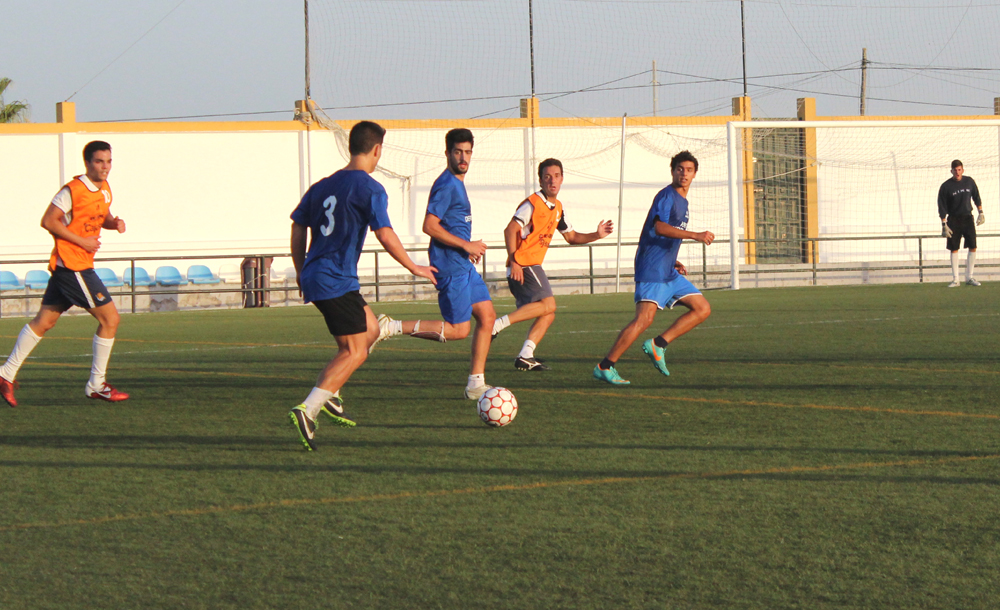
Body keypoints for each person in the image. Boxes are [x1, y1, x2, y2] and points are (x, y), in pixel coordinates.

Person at [286, 121, 438, 451]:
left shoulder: (322, 186)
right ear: (377, 150)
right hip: (335, 279)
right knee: (355, 351)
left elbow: (298, 227)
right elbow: (385, 234)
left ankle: (331, 393)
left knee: (371, 331)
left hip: (321, 275)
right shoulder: (370, 188)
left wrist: (301, 270)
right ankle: (309, 408)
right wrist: (414, 267)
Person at [0, 141, 129, 407]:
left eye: (108, 161)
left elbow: (100, 215)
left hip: (72, 265)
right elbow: (48, 221)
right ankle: (96, 385)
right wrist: (82, 242)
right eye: (99, 161)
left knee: (43, 323)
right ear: (87, 163)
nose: (105, 167)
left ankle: (5, 374)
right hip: (74, 265)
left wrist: (113, 224)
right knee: (110, 319)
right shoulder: (72, 190)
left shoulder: (104, 189)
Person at [379, 128, 497, 400]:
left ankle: (475, 384)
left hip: (463, 264)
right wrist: (465, 245)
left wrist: (466, 249)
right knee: (459, 329)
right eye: (458, 152)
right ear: (447, 154)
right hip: (450, 267)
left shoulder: (458, 183)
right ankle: (391, 326)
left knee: (488, 316)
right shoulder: (446, 184)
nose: (463, 157)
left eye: (468, 152)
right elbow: (429, 225)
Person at [593, 150, 713, 386]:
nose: (684, 173)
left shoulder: (683, 201)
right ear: (673, 171)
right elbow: (659, 227)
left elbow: (666, 234)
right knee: (643, 320)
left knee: (702, 308)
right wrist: (694, 235)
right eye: (680, 169)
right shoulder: (667, 195)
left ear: (695, 174)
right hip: (652, 269)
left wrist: (673, 259)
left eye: (689, 170)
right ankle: (605, 366)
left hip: (667, 270)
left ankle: (659, 344)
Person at [491, 158, 613, 371]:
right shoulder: (532, 203)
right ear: (540, 180)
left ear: (562, 179)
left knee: (548, 313)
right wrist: (515, 260)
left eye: (556, 176)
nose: (552, 181)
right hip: (524, 264)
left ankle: (525, 355)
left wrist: (597, 234)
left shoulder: (558, 208)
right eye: (547, 177)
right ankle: (496, 325)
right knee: (550, 305)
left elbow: (572, 237)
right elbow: (510, 230)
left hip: (529, 265)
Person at [938, 159, 985, 287]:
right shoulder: (946, 186)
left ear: (962, 170)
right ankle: (955, 279)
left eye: (959, 170)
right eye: (955, 170)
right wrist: (944, 223)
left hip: (967, 218)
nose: (957, 172)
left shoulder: (969, 181)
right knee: (954, 248)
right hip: (954, 219)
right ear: (951, 171)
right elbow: (941, 205)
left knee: (973, 246)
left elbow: (976, 196)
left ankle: (969, 277)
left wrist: (980, 212)